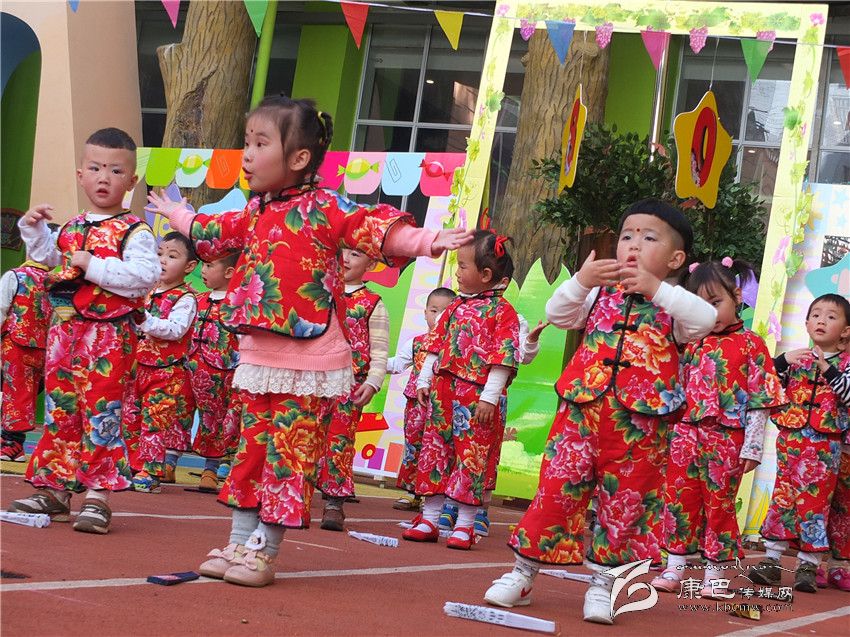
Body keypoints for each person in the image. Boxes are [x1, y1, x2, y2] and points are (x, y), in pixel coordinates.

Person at [145, 95, 471, 587]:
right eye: (247, 143)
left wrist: (429, 241)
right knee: (251, 450)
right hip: (258, 354)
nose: (247, 155)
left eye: (260, 144)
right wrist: (176, 213)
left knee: (288, 452)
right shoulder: (254, 210)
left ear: (299, 158)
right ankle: (238, 540)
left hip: (310, 358)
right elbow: (212, 228)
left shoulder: (325, 207)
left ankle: (264, 550)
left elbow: (374, 228)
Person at [483, 199, 716, 624]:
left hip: (641, 424)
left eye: (649, 238)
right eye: (627, 236)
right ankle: (522, 574)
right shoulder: (597, 292)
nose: (633, 245)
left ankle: (604, 585)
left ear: (676, 259)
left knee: (627, 503)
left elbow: (706, 319)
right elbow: (557, 314)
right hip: (581, 410)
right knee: (556, 490)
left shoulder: (676, 303)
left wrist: (656, 288)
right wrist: (580, 280)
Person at [8, 127, 160, 534]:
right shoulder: (72, 226)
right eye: (95, 168)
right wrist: (33, 229)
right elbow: (49, 257)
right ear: (80, 175)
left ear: (131, 180)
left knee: (102, 412)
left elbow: (145, 277)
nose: (103, 177)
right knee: (61, 410)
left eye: (115, 170)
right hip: (64, 335)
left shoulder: (136, 231)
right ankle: (55, 491)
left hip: (108, 337)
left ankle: (97, 496)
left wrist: (92, 265)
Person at [650, 258, 785, 597]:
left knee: (719, 505)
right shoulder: (690, 341)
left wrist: (752, 446)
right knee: (678, 499)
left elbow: (761, 399)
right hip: (685, 434)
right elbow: (674, 388)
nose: (708, 313)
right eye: (699, 305)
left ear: (736, 296)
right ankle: (674, 568)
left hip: (727, 438)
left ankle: (715, 576)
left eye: (715, 302)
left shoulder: (752, 344)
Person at [403, 230, 520, 551]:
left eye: (463, 266)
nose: (457, 272)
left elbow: (503, 359)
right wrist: (424, 381)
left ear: (486, 275)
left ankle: (465, 525)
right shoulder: (454, 307)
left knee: (471, 457)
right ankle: (429, 518)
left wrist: (489, 398)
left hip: (475, 397)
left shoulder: (503, 312)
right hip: (442, 391)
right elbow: (434, 346)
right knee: (434, 450)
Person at [749, 293, 850, 593]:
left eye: (831, 316)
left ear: (846, 331)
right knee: (783, 499)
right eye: (815, 315)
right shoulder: (795, 359)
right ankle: (771, 562)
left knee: (816, 503)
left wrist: (827, 369)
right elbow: (765, 386)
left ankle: (808, 565)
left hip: (826, 445)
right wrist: (782, 360)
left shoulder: (846, 364)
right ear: (806, 323)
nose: (821, 320)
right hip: (791, 440)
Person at [317, 248, 389, 530]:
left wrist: (373, 382)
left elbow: (380, 351)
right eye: (342, 252)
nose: (345, 259)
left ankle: (334, 503)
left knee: (340, 439)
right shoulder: (319, 292)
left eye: (356, 255)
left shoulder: (373, 303)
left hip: (349, 383)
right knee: (304, 435)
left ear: (371, 264)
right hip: (313, 378)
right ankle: (295, 495)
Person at [124, 232, 198, 493]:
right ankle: (131, 465)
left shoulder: (185, 298)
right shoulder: (147, 291)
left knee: (155, 421)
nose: (163, 260)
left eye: (172, 256)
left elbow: (175, 329)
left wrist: (144, 320)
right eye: (159, 254)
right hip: (136, 368)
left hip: (166, 371)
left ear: (189, 266)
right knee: (129, 418)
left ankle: (151, 470)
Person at [177, 252, 242, 492]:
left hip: (222, 375)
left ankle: (212, 468)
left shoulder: (237, 304)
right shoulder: (197, 300)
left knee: (217, 419)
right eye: (203, 265)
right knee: (180, 410)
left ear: (229, 272)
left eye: (209, 265)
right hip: (190, 369)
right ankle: (169, 461)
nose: (203, 271)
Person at [388, 286, 456, 511]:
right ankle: (413, 493)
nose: (438, 316)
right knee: (414, 446)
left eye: (444, 312)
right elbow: (398, 364)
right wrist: (373, 362)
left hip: (443, 407)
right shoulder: (416, 343)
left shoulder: (456, 345)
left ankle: (436, 497)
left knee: (440, 448)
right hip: (416, 405)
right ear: (425, 312)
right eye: (434, 310)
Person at [0, 258, 51, 462]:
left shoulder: (15, 276)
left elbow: (1, 309)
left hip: (15, 343)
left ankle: (10, 443)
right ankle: (14, 443)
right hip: (41, 347)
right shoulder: (54, 282)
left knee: (14, 391)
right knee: (25, 394)